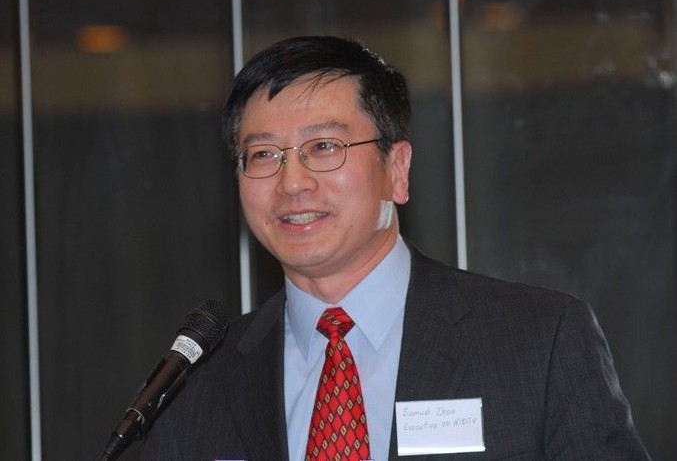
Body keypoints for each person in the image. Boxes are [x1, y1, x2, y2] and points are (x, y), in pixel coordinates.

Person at [141, 36, 650, 460]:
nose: (292, 182)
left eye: (324, 147)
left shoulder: (538, 343)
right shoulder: (196, 385)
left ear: (397, 169)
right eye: (263, 154)